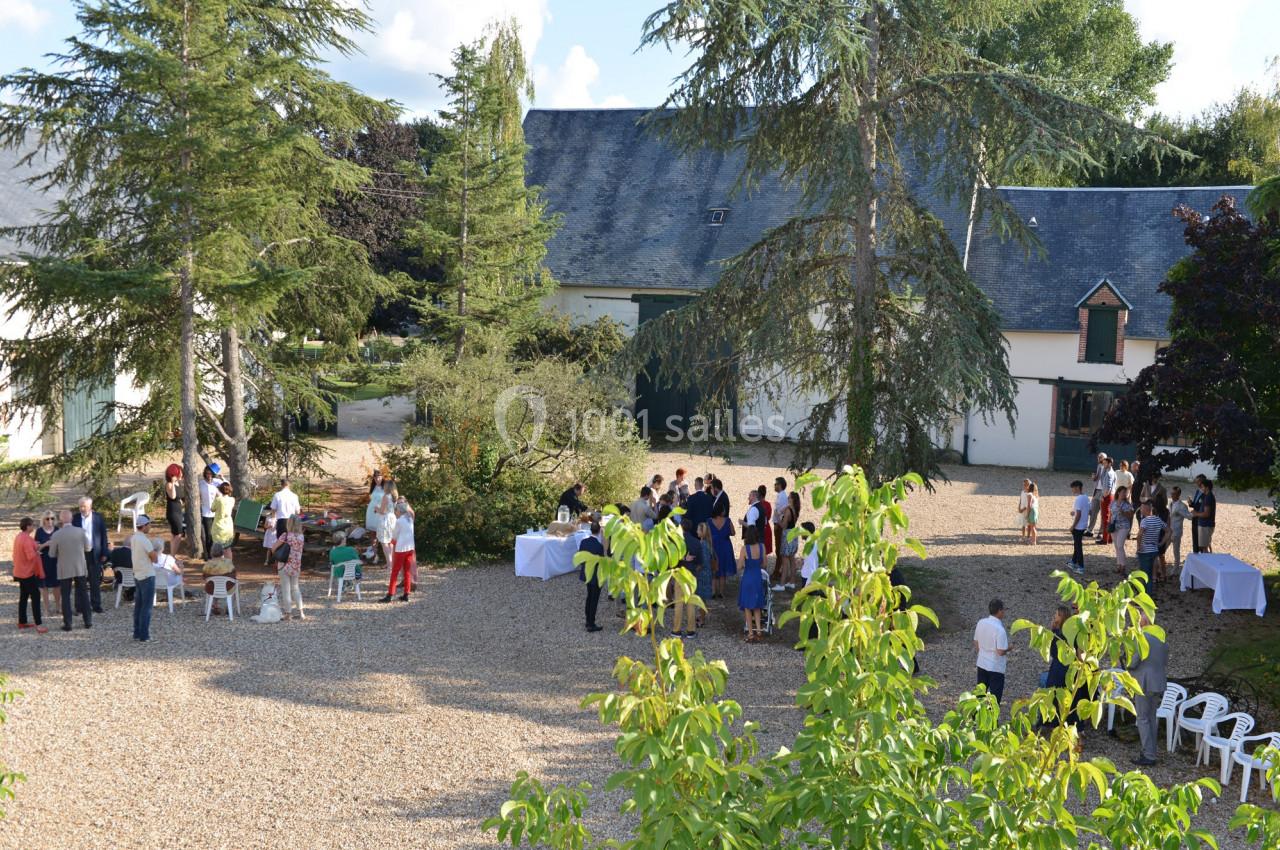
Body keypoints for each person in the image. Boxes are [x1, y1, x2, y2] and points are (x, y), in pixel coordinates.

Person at [1129, 611, 1168, 767]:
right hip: (1158, 682)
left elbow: (1134, 661)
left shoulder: (1143, 638)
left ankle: (1148, 754)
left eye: (1140, 617)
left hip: (1144, 683)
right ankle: (1152, 751)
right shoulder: (1162, 639)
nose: (1137, 620)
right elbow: (1165, 661)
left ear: (1145, 620)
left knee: (1143, 718)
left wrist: (1129, 668)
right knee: (1151, 717)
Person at [45, 509, 91, 631]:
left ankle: (68, 623)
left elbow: (52, 554)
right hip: (79, 567)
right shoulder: (81, 531)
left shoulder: (56, 535)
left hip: (64, 568)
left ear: (60, 520)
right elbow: (88, 548)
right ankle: (88, 621)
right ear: (71, 519)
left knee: (65, 596)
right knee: (84, 594)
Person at [71, 496, 110, 614]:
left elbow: (103, 536)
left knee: (95, 580)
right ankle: (80, 607)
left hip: (95, 552)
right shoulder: (75, 519)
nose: (82, 509)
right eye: (80, 506)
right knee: (79, 580)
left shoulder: (98, 518)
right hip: (80, 553)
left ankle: (96, 605)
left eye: (84, 506)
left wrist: (104, 552)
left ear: (90, 506)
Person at [14, 517, 47, 632]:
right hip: (26, 573)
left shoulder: (19, 536)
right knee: (36, 596)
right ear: (27, 526)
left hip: (19, 571)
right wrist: (37, 552)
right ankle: (39, 625)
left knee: (23, 596)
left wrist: (35, 546)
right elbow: (30, 557)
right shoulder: (27, 540)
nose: (34, 527)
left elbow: (25, 550)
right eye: (32, 525)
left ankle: (22, 622)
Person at [973, 598, 1009, 704]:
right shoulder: (1000, 630)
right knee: (994, 698)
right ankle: (993, 719)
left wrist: (982, 653)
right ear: (999, 611)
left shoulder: (981, 622)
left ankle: (976, 717)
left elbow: (976, 642)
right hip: (995, 667)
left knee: (980, 694)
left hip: (982, 663)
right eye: (1003, 610)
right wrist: (1010, 648)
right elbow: (1000, 652)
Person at [270, 515, 306, 620]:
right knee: (295, 588)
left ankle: (288, 613)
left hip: (284, 565)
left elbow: (273, 548)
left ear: (289, 524)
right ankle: (301, 612)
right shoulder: (301, 537)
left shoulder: (285, 536)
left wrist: (276, 555)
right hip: (296, 565)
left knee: (286, 589)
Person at [129, 515, 158, 642]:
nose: (150, 527)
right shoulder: (144, 540)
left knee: (139, 605)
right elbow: (154, 557)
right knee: (147, 606)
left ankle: (137, 632)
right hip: (147, 574)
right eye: (149, 525)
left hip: (137, 573)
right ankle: (144, 635)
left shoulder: (133, 538)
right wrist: (155, 552)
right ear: (144, 525)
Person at [736, 526, 767, 643]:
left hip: (748, 578)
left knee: (747, 607)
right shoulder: (762, 547)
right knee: (757, 606)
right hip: (757, 577)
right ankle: (759, 631)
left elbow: (739, 566)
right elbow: (764, 564)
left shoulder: (744, 548)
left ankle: (750, 633)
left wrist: (745, 565)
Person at [381, 499, 415, 603]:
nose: (395, 512)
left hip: (401, 549)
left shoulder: (399, 521)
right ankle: (406, 593)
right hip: (410, 548)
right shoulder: (410, 519)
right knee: (407, 571)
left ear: (399, 511)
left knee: (395, 572)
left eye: (396, 510)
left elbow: (394, 536)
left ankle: (390, 594)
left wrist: (390, 542)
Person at [672, 517, 701, 638]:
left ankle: (677, 629)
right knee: (690, 603)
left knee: (678, 603)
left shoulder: (676, 542)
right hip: (691, 574)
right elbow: (700, 561)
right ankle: (691, 630)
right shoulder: (696, 542)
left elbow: (672, 561)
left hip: (680, 573)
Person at [1135, 501, 1169, 594]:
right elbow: (1168, 531)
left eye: (1142, 508)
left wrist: (1138, 547)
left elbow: (1140, 534)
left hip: (1145, 550)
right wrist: (1161, 542)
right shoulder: (1158, 520)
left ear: (1146, 509)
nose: (1140, 510)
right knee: (1149, 573)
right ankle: (1147, 593)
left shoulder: (1145, 521)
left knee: (1145, 574)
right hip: (1154, 549)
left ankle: (1146, 594)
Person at [579, 522, 605, 632]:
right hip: (595, 576)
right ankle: (591, 623)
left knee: (589, 597)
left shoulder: (583, 542)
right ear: (599, 531)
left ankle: (587, 620)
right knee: (594, 599)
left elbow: (580, 557)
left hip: (586, 573)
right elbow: (602, 563)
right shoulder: (599, 546)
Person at [35, 511, 60, 618]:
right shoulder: (39, 531)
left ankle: (59, 607)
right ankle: (46, 609)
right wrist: (45, 544)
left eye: (52, 518)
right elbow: (36, 548)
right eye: (47, 519)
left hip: (56, 561)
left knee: (57, 586)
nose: (50, 521)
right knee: (43, 586)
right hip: (43, 561)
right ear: (43, 520)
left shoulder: (58, 530)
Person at [708, 505, 736, 599]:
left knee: (714, 569)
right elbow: (733, 532)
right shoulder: (727, 520)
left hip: (713, 546)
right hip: (725, 547)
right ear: (721, 511)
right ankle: (721, 592)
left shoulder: (709, 521)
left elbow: (707, 534)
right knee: (723, 570)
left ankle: (713, 591)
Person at [198, 464, 224, 559]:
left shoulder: (217, 482)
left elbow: (227, 487)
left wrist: (223, 477)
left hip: (216, 512)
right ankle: (208, 554)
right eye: (207, 473)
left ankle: (216, 554)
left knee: (216, 534)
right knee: (208, 535)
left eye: (210, 473)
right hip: (206, 512)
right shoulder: (201, 483)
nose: (209, 475)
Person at [774, 495, 800, 591]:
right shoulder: (795, 510)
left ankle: (781, 584)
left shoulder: (788, 511)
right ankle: (792, 582)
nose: (788, 498)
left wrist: (777, 517)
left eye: (789, 497)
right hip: (793, 534)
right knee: (792, 559)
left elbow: (783, 525)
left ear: (792, 499)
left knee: (785, 560)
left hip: (787, 535)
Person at [1111, 486, 1135, 574]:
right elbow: (1111, 514)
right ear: (1118, 493)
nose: (1124, 494)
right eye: (1123, 492)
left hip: (1124, 526)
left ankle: (1123, 565)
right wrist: (1109, 524)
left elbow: (1131, 516)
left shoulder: (1127, 505)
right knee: (1117, 546)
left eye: (1126, 493)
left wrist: (1123, 512)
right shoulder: (1113, 503)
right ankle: (1119, 565)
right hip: (1114, 526)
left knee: (1120, 545)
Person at [374, 479, 398, 565]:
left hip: (385, 519)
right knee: (390, 541)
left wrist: (376, 508)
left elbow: (382, 511)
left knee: (384, 542)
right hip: (392, 519)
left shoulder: (386, 496)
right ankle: (392, 561)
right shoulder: (394, 496)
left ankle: (389, 563)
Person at [1169, 487, 1192, 573]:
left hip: (1176, 531)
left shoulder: (1182, 506)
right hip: (1169, 530)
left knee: (1176, 550)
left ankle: (1175, 568)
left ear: (1178, 495)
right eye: (1171, 493)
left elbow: (1189, 517)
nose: (1172, 495)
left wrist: (1193, 512)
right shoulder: (1170, 503)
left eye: (1174, 494)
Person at [164, 466, 185, 559]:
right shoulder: (169, 484)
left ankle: (172, 555)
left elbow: (179, 497)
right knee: (179, 534)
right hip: (172, 512)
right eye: (179, 472)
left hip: (178, 511)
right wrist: (172, 482)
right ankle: (172, 555)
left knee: (174, 534)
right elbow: (173, 496)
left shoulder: (178, 483)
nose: (181, 474)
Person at [1191, 478, 1217, 553]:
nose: (1201, 488)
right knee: (1203, 547)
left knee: (1204, 548)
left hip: (1205, 525)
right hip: (1204, 525)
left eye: (1202, 487)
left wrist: (1196, 514)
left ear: (1207, 487)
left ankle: (1207, 562)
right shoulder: (1207, 496)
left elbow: (1206, 514)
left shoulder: (1208, 497)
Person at [1068, 480, 1088, 575]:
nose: (1072, 490)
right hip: (1084, 525)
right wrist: (1074, 512)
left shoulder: (1079, 499)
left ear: (1077, 488)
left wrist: (1073, 526)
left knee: (1078, 546)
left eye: (1073, 488)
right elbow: (1088, 511)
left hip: (1078, 526)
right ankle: (1073, 562)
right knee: (1077, 544)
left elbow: (1079, 514)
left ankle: (1081, 566)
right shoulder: (1086, 497)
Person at [1086, 452, 1108, 536]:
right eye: (1098, 457)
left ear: (1105, 459)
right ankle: (1090, 530)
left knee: (1103, 513)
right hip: (1097, 491)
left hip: (1103, 492)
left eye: (1101, 457)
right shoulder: (1099, 466)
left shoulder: (1108, 469)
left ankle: (1101, 532)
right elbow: (1097, 478)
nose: (1099, 458)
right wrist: (1094, 478)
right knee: (1093, 511)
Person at [1097, 457, 1117, 545]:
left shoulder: (1109, 473)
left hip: (1107, 496)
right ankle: (1109, 538)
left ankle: (1105, 539)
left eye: (1105, 463)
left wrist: (1103, 496)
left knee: (1105, 517)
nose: (1103, 464)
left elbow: (1108, 488)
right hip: (1111, 495)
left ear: (1109, 464)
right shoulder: (1112, 472)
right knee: (1109, 517)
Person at [366, 470, 386, 552]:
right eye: (376, 477)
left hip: (380, 510)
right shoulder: (373, 487)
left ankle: (382, 548)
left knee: (380, 530)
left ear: (382, 477)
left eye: (379, 477)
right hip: (372, 510)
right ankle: (374, 548)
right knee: (372, 531)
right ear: (374, 478)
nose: (378, 479)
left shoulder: (385, 487)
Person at [211, 481, 235, 551]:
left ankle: (219, 561)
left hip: (218, 526)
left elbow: (212, 509)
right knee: (227, 548)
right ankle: (229, 562)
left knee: (218, 548)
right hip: (228, 526)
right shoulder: (232, 500)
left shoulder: (218, 499)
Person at [1189, 473, 1207, 554]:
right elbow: (1196, 505)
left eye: (1197, 481)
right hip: (1194, 518)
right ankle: (1195, 553)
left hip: (1201, 519)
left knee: (1201, 541)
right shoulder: (1197, 491)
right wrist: (1191, 503)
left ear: (1202, 482)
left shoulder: (1206, 494)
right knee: (1195, 539)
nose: (1196, 483)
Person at [756, 484, 774, 559]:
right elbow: (769, 517)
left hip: (758, 529)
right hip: (767, 528)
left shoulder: (757, 505)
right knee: (764, 554)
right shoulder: (768, 504)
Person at [1022, 481, 1040, 545]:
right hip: (1036, 511)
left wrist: (1027, 514)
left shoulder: (1029, 495)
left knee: (1032, 527)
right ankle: (1033, 540)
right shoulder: (1035, 496)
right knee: (1033, 527)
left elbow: (1029, 505)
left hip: (1032, 511)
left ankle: (1033, 541)